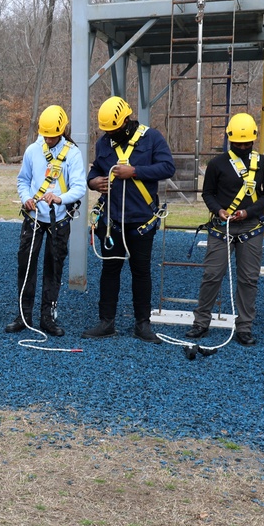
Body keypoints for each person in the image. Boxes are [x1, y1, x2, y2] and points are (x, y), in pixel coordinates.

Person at [82, 96, 175, 343]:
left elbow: (167, 167)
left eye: (115, 130)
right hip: (112, 220)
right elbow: (95, 170)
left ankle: (142, 324)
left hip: (141, 220)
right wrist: (93, 182)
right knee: (109, 270)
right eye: (108, 131)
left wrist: (134, 171)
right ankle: (106, 322)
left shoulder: (152, 137)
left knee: (141, 271)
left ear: (126, 121)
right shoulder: (104, 144)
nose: (111, 135)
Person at [184, 114, 264, 346]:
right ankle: (201, 322)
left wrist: (248, 212)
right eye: (238, 144)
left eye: (247, 144)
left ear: (254, 140)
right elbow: (208, 193)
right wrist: (218, 211)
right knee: (212, 275)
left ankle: (244, 327)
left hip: (251, 226)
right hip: (221, 227)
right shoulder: (217, 164)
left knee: (248, 279)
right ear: (230, 140)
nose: (243, 147)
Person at [5, 105, 86, 336]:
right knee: (26, 265)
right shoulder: (33, 150)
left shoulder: (72, 153)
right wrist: (26, 198)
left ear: (62, 131)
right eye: (45, 135)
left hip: (59, 220)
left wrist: (60, 198)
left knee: (54, 267)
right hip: (34, 218)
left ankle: (47, 317)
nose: (48, 139)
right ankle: (23, 314)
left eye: (52, 135)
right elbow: (23, 180)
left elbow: (79, 187)